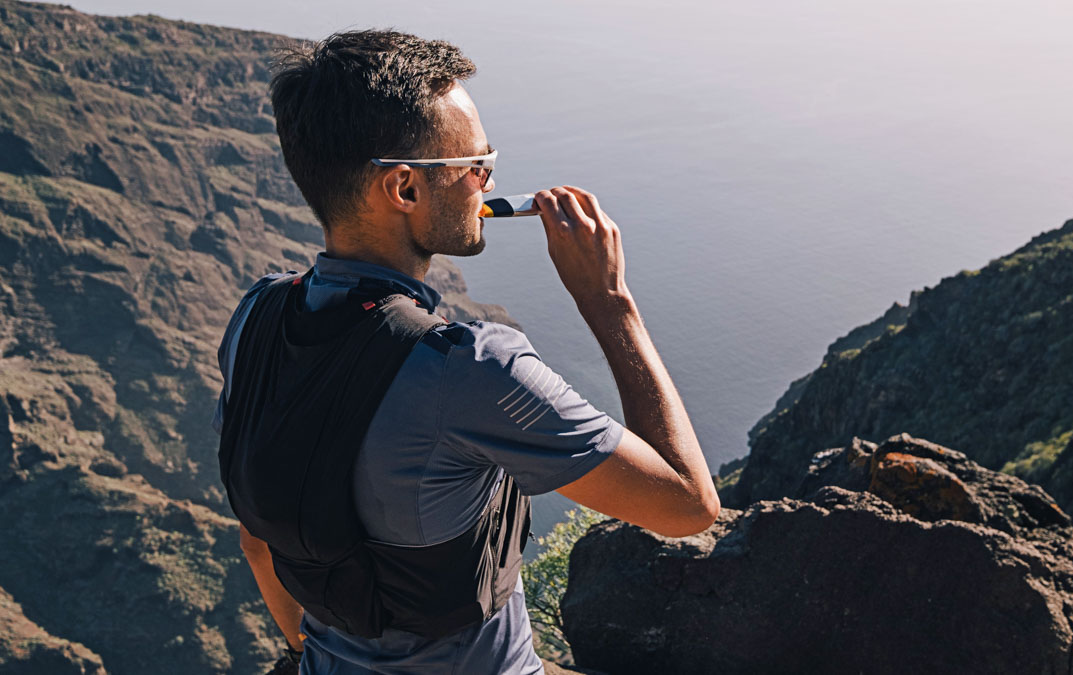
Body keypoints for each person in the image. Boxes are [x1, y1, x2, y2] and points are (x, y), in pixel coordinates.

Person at [213, 30, 720, 675]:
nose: (487, 181)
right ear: (403, 188)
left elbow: (259, 541)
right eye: (475, 165)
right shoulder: (469, 369)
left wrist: (304, 655)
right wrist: (609, 300)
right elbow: (687, 505)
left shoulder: (256, 318)